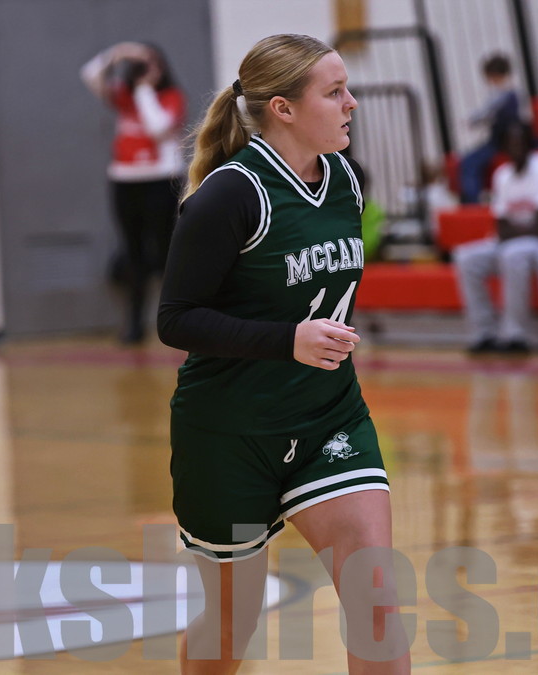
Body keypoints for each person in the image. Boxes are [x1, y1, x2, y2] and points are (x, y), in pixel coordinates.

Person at [157, 34, 410, 673]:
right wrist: (287, 340)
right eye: (335, 92)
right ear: (284, 109)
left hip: (329, 418)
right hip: (230, 434)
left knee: (378, 606)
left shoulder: (347, 179)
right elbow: (175, 319)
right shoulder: (230, 194)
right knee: (231, 625)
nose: (352, 103)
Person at [80, 41, 186, 344]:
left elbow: (157, 128)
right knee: (133, 253)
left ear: (162, 67)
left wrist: (144, 89)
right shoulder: (122, 96)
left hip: (161, 180)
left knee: (165, 253)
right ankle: (135, 325)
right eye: (140, 64)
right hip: (125, 181)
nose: (144, 68)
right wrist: (119, 53)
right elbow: (89, 75)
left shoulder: (171, 97)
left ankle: (178, 320)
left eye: (151, 62)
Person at [453, 121, 538, 354]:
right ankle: (484, 334)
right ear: (503, 147)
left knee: (514, 253)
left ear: (529, 144)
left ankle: (516, 335)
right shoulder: (502, 175)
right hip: (515, 241)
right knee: (466, 257)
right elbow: (500, 226)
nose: (516, 148)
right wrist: (514, 231)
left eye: (521, 142)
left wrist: (512, 231)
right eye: (511, 143)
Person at [459, 52, 528, 203]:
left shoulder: (503, 94)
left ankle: (472, 204)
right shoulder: (515, 92)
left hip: (502, 142)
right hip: (507, 139)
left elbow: (486, 112)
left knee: (468, 162)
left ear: (493, 75)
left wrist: (470, 120)